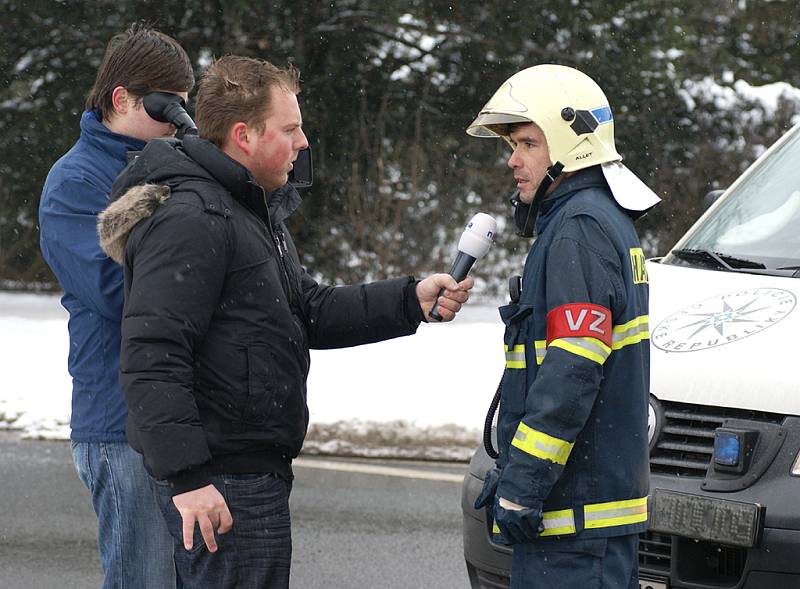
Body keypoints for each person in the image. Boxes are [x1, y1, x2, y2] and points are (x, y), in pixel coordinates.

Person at [95, 54, 473, 589]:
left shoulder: (247, 209)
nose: (303, 143)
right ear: (244, 135)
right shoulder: (195, 217)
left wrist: (410, 299)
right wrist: (189, 479)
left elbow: (307, 309)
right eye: (290, 129)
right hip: (223, 482)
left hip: (249, 473)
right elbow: (152, 354)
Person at [468, 64, 661, 588]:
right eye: (513, 144)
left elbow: (570, 374)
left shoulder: (579, 231)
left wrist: (522, 485)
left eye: (528, 143)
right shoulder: (601, 221)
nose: (513, 160)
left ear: (572, 146)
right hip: (584, 525)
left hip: (574, 532)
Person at [38, 25, 194, 588]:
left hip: (177, 420)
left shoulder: (178, 166)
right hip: (118, 423)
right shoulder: (75, 182)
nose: (177, 120)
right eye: (164, 105)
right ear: (121, 98)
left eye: (184, 105)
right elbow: (114, 291)